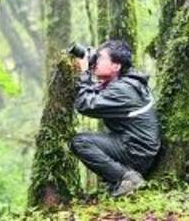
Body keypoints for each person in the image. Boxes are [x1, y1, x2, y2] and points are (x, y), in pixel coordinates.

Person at [69, 39, 161, 197]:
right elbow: (94, 92)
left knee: (80, 142)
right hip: (138, 147)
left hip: (136, 152)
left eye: (101, 58)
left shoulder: (123, 89)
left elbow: (85, 104)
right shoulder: (126, 83)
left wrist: (84, 74)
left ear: (116, 66)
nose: (95, 61)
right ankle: (120, 179)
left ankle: (128, 179)